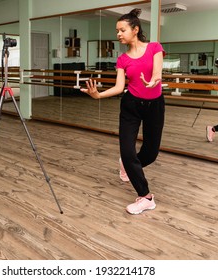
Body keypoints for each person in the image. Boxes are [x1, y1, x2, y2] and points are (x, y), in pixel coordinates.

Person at [80, 8, 165, 215]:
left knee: (151, 153)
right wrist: (98, 95)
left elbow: (157, 74)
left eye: (122, 30)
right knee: (127, 152)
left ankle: (127, 164)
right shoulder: (123, 59)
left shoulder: (155, 48)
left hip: (155, 105)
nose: (118, 34)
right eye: (117, 30)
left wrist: (152, 81)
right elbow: (119, 87)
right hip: (131, 105)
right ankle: (145, 197)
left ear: (135, 29)